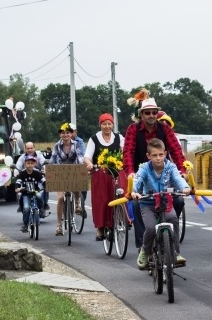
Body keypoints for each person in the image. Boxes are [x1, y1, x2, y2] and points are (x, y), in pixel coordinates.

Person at [123, 97, 187, 255]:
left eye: (154, 112)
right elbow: (128, 152)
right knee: (137, 204)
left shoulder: (164, 128)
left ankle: (167, 229)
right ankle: (141, 244)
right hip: (141, 173)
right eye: (147, 113)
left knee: (178, 200)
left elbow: (176, 150)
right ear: (141, 115)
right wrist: (131, 172)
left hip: (162, 173)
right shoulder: (133, 129)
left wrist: (182, 170)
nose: (151, 115)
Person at [131, 139, 191, 268]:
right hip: (148, 203)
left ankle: (175, 252)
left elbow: (177, 178)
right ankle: (145, 252)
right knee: (151, 228)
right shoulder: (144, 168)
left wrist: (185, 187)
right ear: (148, 156)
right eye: (154, 155)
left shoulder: (171, 167)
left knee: (173, 219)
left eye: (160, 155)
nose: (158, 158)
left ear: (165, 154)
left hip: (165, 202)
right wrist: (134, 192)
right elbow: (138, 180)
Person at [84, 113, 125, 241]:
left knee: (119, 194)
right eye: (104, 124)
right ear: (100, 125)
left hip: (116, 171)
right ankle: (100, 227)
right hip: (100, 172)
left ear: (113, 125)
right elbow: (87, 156)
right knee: (101, 200)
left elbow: (126, 152)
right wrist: (90, 164)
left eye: (109, 124)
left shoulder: (119, 138)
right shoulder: (94, 139)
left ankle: (121, 219)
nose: (107, 126)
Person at [50, 122, 85, 236]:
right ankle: (59, 225)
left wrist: (82, 166)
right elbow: (53, 158)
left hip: (73, 170)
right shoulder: (57, 145)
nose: (65, 135)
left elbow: (80, 157)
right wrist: (48, 168)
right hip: (60, 172)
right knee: (60, 198)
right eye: (63, 133)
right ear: (60, 135)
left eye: (68, 133)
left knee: (76, 182)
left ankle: (77, 202)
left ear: (71, 134)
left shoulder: (76, 145)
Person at [15, 141, 49, 215]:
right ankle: (21, 206)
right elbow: (18, 166)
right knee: (20, 192)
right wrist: (16, 171)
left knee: (46, 186)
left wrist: (44, 169)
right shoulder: (22, 157)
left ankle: (44, 204)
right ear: (25, 149)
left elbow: (44, 163)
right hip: (26, 178)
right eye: (28, 148)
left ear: (34, 148)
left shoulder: (39, 155)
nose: (30, 150)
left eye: (31, 148)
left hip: (38, 176)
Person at [15, 154, 45, 233]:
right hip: (26, 194)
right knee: (26, 208)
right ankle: (25, 224)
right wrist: (17, 188)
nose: (30, 165)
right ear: (25, 164)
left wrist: (47, 185)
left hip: (35, 192)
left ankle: (41, 208)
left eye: (32, 163)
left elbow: (43, 180)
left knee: (39, 196)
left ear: (35, 164)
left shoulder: (37, 173)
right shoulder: (22, 174)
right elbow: (18, 182)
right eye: (28, 163)